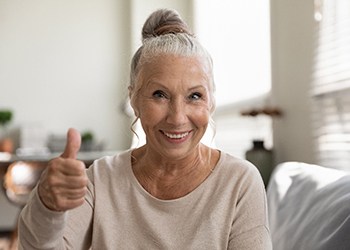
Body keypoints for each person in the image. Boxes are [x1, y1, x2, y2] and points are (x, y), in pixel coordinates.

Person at [18, 9, 272, 249]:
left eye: (194, 96)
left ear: (211, 101)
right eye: (159, 94)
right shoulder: (101, 179)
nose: (177, 118)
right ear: (134, 99)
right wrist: (47, 207)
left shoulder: (239, 182)